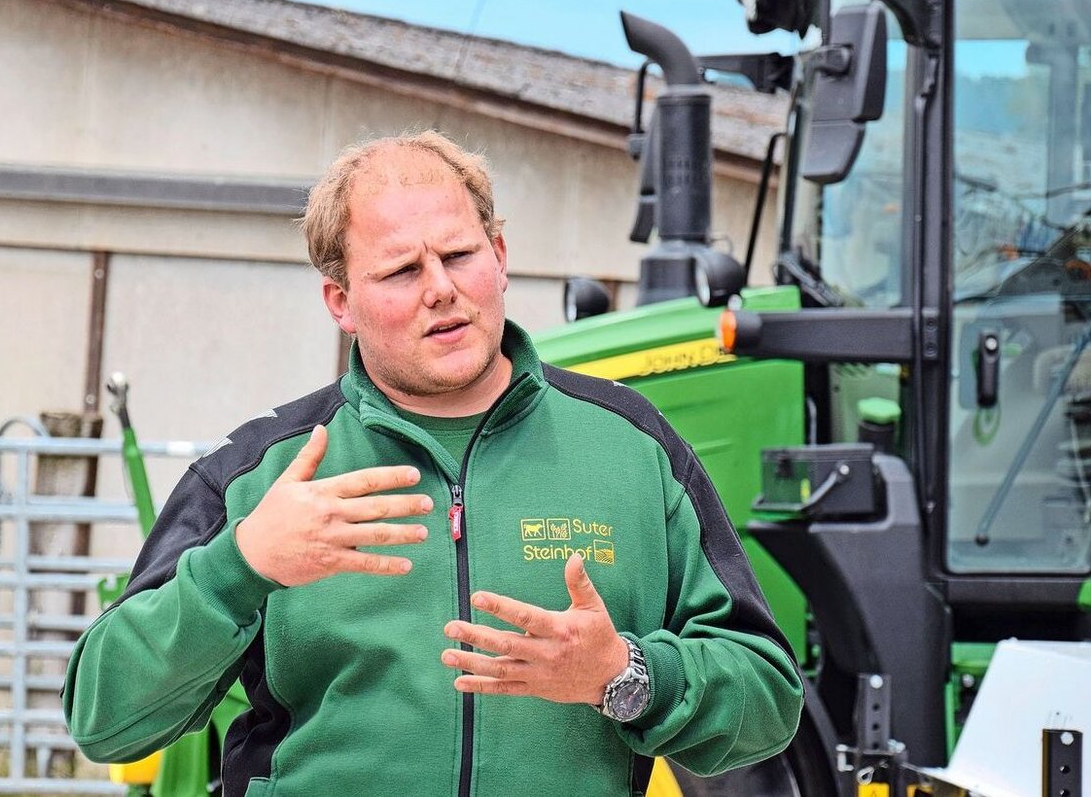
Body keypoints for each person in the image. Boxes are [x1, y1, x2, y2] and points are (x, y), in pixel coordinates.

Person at [63, 131, 803, 796]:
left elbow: (768, 700)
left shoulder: (633, 449)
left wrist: (625, 676)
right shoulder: (261, 475)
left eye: (458, 255)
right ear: (340, 301)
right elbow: (106, 720)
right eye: (400, 271)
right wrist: (241, 566)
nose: (441, 288)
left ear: (500, 256)